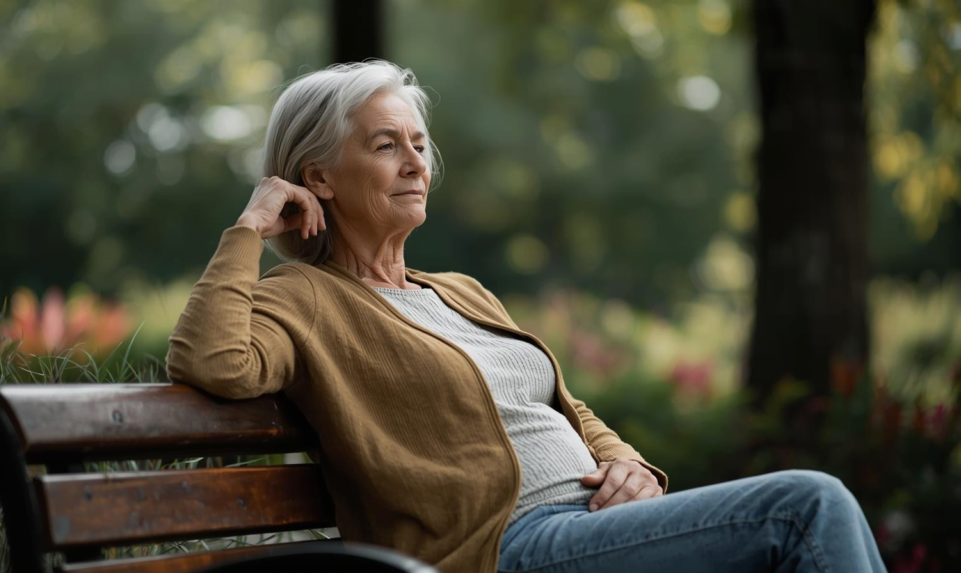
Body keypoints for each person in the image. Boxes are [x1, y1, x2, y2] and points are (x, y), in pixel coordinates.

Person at [166, 60, 886, 573]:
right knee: (806, 507)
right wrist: (250, 228)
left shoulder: (460, 290)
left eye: (419, 144)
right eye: (386, 145)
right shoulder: (305, 299)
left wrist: (625, 463)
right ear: (317, 177)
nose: (415, 162)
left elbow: (565, 404)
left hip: (597, 525)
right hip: (507, 547)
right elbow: (212, 361)